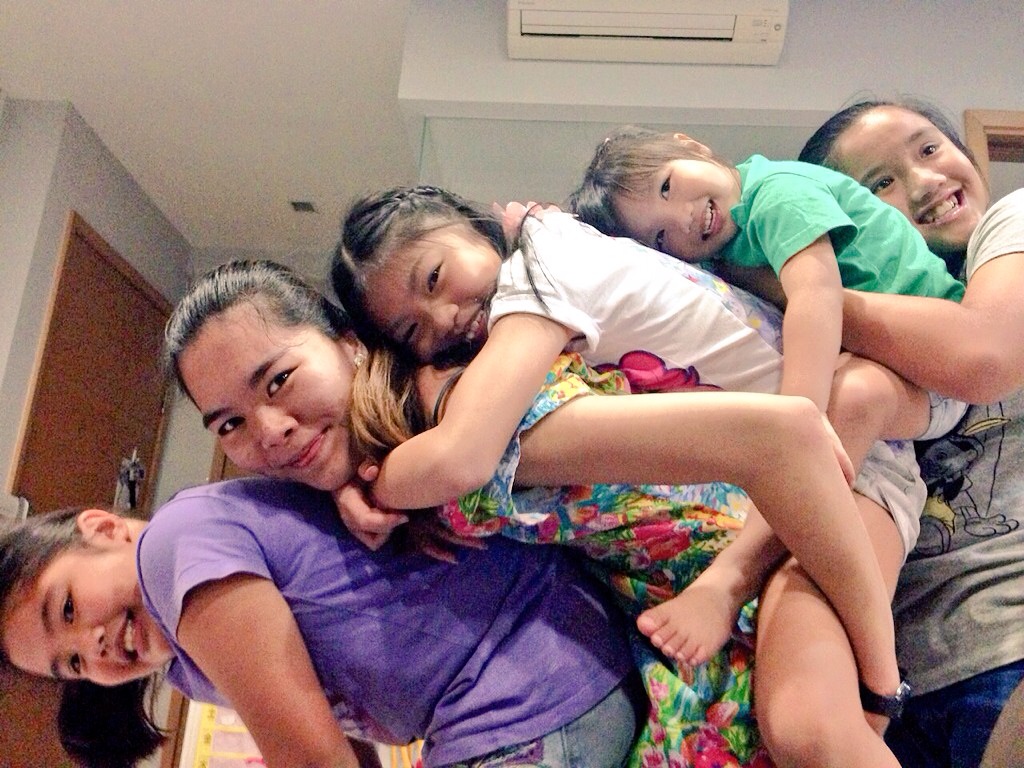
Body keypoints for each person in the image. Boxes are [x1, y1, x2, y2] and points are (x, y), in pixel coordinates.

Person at [168, 259, 898, 767]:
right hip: (672, 628)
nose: (269, 430)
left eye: (279, 380)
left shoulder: (470, 422)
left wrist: (880, 684)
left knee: (805, 737)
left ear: (350, 348)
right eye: (229, 424)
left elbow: (778, 437)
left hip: (760, 564)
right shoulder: (390, 458)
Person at [0, 484, 643, 768]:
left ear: (105, 529)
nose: (92, 645)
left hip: (537, 682)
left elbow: (312, 759)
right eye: (73, 664)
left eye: (67, 609)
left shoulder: (173, 546)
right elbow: (330, 739)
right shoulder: (188, 670)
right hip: (500, 714)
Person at [799, 98, 1024, 768]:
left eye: (929, 149)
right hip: (906, 690)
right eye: (879, 183)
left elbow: (984, 355)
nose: (925, 180)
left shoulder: (1013, 224)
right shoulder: (854, 336)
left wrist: (804, 288)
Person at [569, 125, 967, 476]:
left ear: (691, 146)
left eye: (666, 187)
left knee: (841, 406)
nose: (682, 219)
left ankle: (761, 537)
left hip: (937, 366)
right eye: (659, 237)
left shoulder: (777, 194)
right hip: (899, 370)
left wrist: (800, 412)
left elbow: (816, 294)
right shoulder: (717, 248)